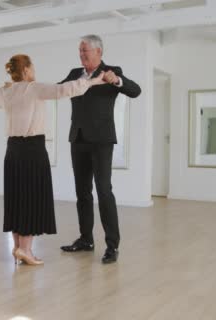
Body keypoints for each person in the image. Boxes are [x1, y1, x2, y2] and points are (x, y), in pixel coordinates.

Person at [0, 54, 105, 265]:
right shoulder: (33, 88)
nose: (34, 70)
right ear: (26, 70)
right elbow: (65, 89)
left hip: (12, 151)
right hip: (33, 149)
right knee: (31, 197)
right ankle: (25, 249)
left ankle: (18, 247)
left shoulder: (5, 91)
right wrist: (95, 81)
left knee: (17, 198)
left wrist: (7, 87)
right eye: (32, 66)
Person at [59, 35, 142, 264]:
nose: (81, 54)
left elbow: (136, 91)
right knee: (82, 193)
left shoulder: (111, 71)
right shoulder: (75, 73)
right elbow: (59, 90)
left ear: (99, 52)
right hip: (78, 139)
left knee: (104, 191)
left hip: (101, 141)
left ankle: (112, 246)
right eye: (80, 50)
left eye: (85, 50)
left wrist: (117, 81)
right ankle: (86, 239)